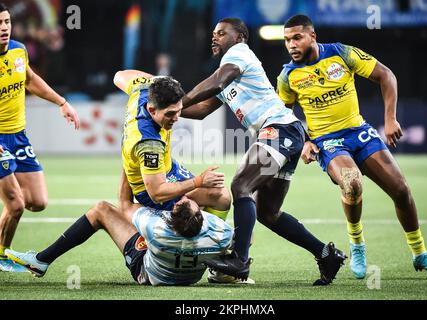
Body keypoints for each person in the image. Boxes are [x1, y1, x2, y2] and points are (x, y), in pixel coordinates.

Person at [277, 14, 427, 279]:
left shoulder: (341, 54)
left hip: (359, 131)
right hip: (327, 141)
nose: (291, 45)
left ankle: (420, 254)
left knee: (401, 190)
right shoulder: (288, 76)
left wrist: (390, 119)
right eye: (287, 40)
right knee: (352, 183)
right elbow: (283, 117)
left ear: (313, 36)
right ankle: (357, 245)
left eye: (297, 38)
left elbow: (386, 75)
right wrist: (306, 142)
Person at [181, 17, 346, 285]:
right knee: (268, 212)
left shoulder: (238, 55)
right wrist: (172, 111)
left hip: (279, 131)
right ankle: (326, 254)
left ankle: (239, 261)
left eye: (222, 33)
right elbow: (200, 111)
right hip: (286, 136)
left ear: (239, 38)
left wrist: (178, 100)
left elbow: (216, 83)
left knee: (241, 185)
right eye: (213, 34)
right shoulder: (228, 70)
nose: (215, 37)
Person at [113, 70, 253, 284]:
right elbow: (158, 192)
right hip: (149, 184)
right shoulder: (150, 144)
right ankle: (203, 250)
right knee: (220, 197)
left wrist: (161, 83)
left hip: (167, 169)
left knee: (220, 194)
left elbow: (119, 75)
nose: (176, 118)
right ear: (151, 109)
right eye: (170, 114)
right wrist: (198, 182)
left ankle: (209, 253)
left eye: (178, 111)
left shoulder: (143, 90)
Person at [5, 172, 234, 286]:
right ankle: (219, 273)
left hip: (148, 272)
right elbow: (240, 236)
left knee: (102, 210)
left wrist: (129, 159)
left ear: (171, 215)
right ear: (201, 216)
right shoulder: (221, 232)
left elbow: (125, 204)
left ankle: (42, 260)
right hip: (192, 276)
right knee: (222, 198)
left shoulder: (155, 228)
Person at [0, 3, 80, 272]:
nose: (4, 29)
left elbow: (31, 79)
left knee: (37, 201)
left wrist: (61, 102)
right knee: (16, 205)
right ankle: (1, 255)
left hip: (18, 136)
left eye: (7, 22)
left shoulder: (18, 50)